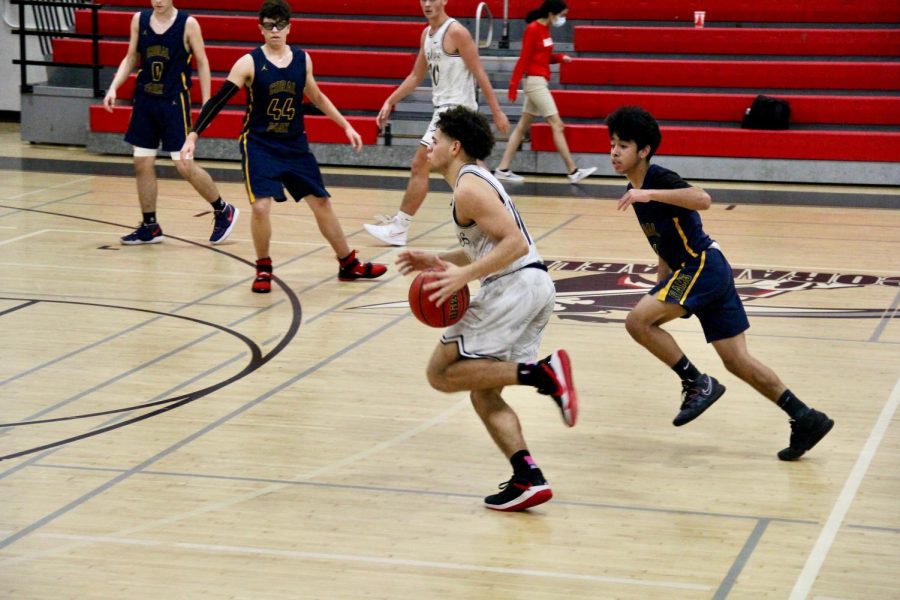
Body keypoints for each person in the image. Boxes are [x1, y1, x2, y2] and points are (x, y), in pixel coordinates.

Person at [606, 105, 833, 461]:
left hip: (701, 267)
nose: (614, 152)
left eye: (623, 145)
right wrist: (661, 278)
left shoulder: (657, 179)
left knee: (637, 322)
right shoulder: (636, 189)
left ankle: (696, 382)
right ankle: (805, 417)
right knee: (737, 360)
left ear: (644, 150)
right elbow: (665, 239)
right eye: (612, 145)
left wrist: (649, 194)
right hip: (705, 271)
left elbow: (703, 199)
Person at [396, 106, 577, 511]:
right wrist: (438, 259)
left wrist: (465, 276)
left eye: (436, 139)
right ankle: (527, 477)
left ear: (455, 146)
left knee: (440, 373)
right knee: (484, 393)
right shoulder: (473, 181)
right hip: (530, 287)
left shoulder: (468, 187)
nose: (430, 146)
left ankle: (542, 373)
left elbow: (513, 242)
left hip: (513, 287)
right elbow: (488, 243)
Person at [180, 0, 387, 292]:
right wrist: (193, 135)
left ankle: (348, 264)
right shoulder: (248, 62)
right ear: (260, 28)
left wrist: (346, 125)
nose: (274, 30)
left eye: (280, 25)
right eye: (269, 25)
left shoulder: (303, 59)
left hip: (294, 144)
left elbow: (317, 97)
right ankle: (263, 268)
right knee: (261, 207)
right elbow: (218, 100)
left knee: (321, 202)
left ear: (289, 28)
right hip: (260, 144)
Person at [363, 0, 510, 247]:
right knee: (471, 171)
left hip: (456, 111)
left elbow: (480, 73)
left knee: (421, 163)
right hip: (444, 109)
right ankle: (505, 214)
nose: (428, 4)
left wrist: (497, 111)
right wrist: (390, 101)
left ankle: (400, 227)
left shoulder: (456, 32)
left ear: (444, 1)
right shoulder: (426, 34)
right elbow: (415, 76)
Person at [103, 0, 238, 245]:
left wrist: (207, 102)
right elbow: (131, 57)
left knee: (184, 165)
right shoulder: (139, 20)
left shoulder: (188, 24)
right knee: (141, 162)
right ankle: (150, 225)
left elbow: (203, 62)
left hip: (175, 103)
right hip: (145, 100)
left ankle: (223, 209)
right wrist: (114, 87)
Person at [493, 0, 596, 184]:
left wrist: (559, 58)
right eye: (562, 15)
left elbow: (543, 57)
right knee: (557, 125)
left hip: (539, 81)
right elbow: (524, 57)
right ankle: (573, 171)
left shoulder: (545, 29)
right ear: (551, 13)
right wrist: (513, 84)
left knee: (522, 127)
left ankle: (502, 168)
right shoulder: (533, 29)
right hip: (534, 83)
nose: (563, 19)